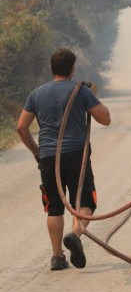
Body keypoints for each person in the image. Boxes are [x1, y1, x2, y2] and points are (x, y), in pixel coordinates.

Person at [16, 48, 112, 271]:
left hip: (49, 157)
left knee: (54, 208)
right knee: (85, 203)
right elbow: (105, 119)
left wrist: (37, 152)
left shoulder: (36, 94)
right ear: (72, 69)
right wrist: (93, 95)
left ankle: (57, 257)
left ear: (52, 69)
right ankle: (75, 236)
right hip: (76, 155)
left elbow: (21, 127)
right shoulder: (81, 91)